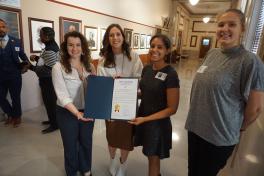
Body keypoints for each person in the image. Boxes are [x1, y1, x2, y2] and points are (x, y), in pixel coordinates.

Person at [185, 9, 264, 176]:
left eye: (232, 24)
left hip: (218, 136)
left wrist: (239, 127)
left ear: (242, 29)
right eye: (221, 24)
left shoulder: (250, 61)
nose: (225, 29)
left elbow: (255, 109)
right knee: (193, 171)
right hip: (195, 128)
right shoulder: (212, 53)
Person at [130, 34, 180, 176]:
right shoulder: (147, 69)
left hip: (157, 124)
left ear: (167, 50)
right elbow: (145, 93)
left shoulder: (171, 74)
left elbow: (172, 108)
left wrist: (145, 119)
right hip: (144, 119)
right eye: (152, 46)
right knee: (149, 154)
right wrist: (125, 90)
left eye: (160, 47)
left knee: (153, 158)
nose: (154, 50)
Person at [97, 23, 143, 176]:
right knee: (111, 136)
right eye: (111, 35)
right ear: (107, 38)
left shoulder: (133, 56)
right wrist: (112, 82)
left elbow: (140, 78)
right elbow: (100, 82)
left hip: (128, 103)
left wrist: (125, 80)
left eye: (118, 34)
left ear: (123, 37)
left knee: (125, 138)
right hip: (110, 103)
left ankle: (123, 164)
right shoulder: (103, 59)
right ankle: (112, 160)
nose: (115, 38)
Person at [52, 31, 95, 176]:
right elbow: (62, 95)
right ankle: (71, 172)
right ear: (65, 47)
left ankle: (86, 170)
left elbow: (97, 90)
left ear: (83, 47)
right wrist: (77, 113)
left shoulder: (90, 67)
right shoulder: (58, 67)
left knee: (86, 143)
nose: (74, 48)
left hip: (88, 111)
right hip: (67, 112)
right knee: (70, 145)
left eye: (78, 45)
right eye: (70, 45)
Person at [29, 27, 59, 134]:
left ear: (47, 37)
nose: (39, 37)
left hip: (49, 81)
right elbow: (46, 62)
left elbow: (48, 69)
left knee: (50, 103)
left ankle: (55, 125)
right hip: (47, 81)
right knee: (49, 103)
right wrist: (37, 58)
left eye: (41, 35)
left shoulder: (50, 49)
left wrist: (30, 67)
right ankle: (52, 120)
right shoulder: (50, 47)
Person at [0, 18, 29, 128]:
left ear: (6, 28)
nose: (1, 29)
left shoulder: (16, 41)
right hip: (0, 76)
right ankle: (11, 114)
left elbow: (23, 55)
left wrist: (26, 65)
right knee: (1, 97)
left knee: (15, 97)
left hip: (14, 75)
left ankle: (17, 116)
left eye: (2, 26)